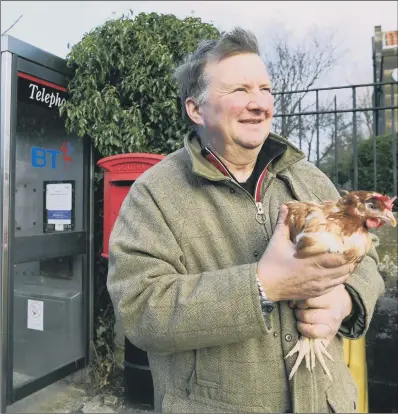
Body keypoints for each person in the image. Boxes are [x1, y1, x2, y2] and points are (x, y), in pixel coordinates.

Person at [107, 27, 384, 413]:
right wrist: (261, 286)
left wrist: (345, 302)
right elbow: (139, 308)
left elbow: (367, 260)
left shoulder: (308, 177)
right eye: (239, 91)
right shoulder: (155, 194)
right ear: (195, 109)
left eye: (265, 90)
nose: (259, 104)